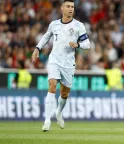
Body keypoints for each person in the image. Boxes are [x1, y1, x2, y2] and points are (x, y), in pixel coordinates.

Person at [31, 0, 90, 132]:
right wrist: (37, 48)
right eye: (68, 6)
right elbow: (46, 37)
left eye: (72, 7)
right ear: (62, 8)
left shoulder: (79, 26)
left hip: (69, 64)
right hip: (54, 60)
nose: (70, 9)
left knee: (64, 94)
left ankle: (58, 112)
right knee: (52, 85)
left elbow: (87, 44)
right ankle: (47, 120)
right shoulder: (54, 24)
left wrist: (78, 45)